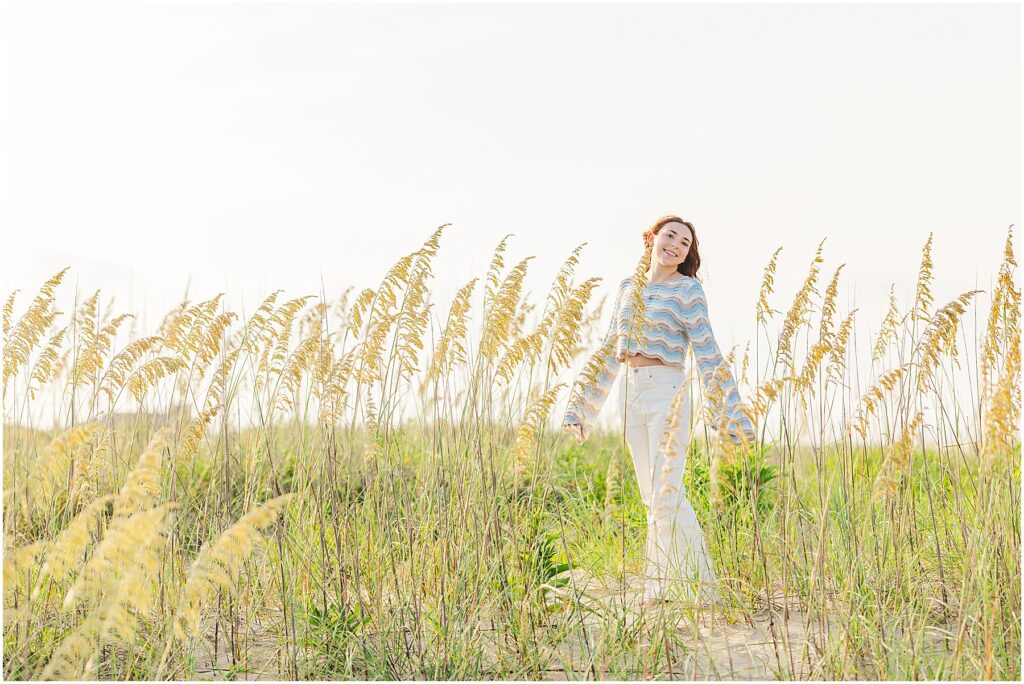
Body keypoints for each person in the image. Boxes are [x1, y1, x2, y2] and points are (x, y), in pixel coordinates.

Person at [561, 215, 755, 608]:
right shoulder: (627, 289)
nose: (675, 246)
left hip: (668, 392)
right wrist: (579, 407)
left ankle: (694, 589)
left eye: (684, 243)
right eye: (670, 236)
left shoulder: (688, 291)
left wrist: (730, 413)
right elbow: (608, 349)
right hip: (630, 394)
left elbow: (707, 349)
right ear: (651, 238)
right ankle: (667, 584)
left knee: (667, 491)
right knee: (652, 496)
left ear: (687, 255)